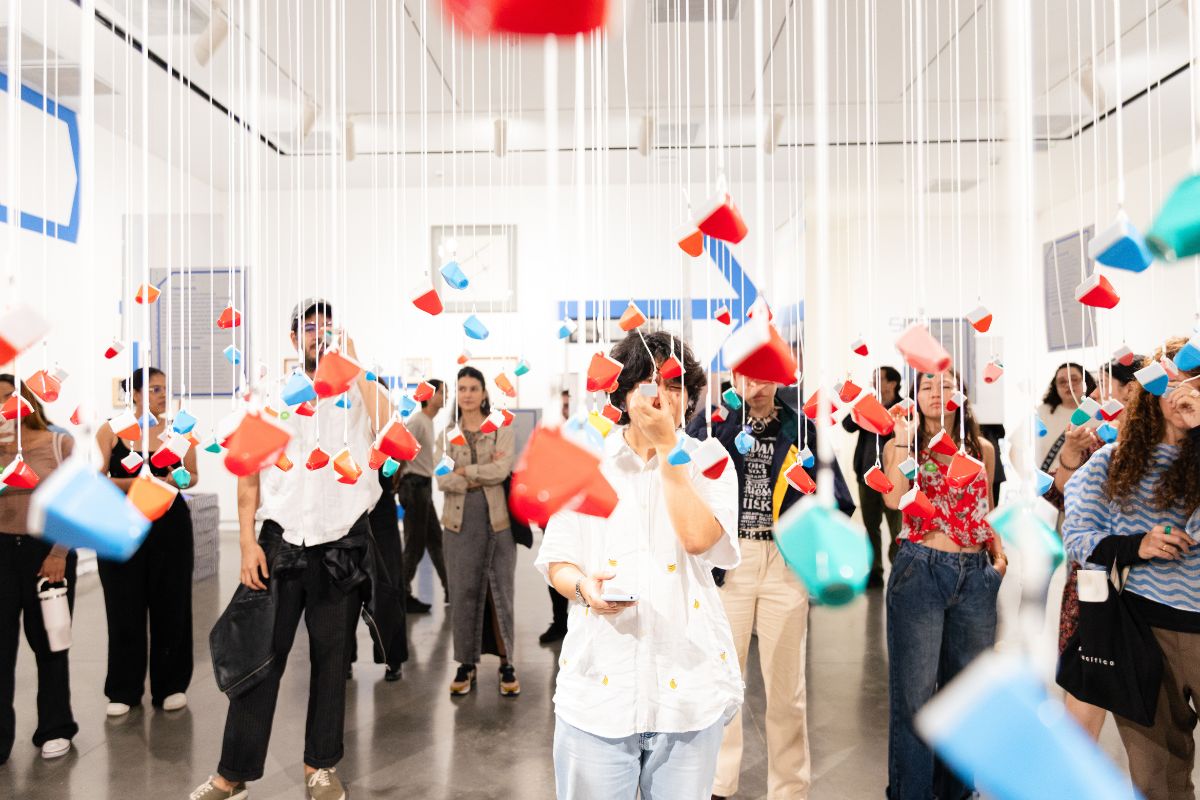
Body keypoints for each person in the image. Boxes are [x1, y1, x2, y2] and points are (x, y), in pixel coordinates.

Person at [190, 298, 396, 800]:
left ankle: (320, 767)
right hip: (279, 542)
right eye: (309, 328)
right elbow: (248, 474)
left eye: (327, 327)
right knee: (259, 656)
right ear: (292, 339)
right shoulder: (270, 398)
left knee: (332, 661)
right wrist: (245, 541)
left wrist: (357, 366)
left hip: (340, 543)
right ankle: (232, 774)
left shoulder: (361, 393)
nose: (318, 335)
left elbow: (392, 432)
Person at [537, 331, 742, 799]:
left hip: (687, 690)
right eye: (649, 383)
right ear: (623, 394)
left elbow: (698, 539)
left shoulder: (710, 460)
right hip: (599, 690)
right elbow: (558, 560)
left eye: (675, 385)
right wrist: (585, 589)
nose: (662, 396)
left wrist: (670, 449)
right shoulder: (586, 461)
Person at [687, 370, 855, 800]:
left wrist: (810, 538)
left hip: (784, 561)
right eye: (748, 376)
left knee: (787, 687)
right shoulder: (716, 421)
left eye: (766, 377)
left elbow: (838, 496)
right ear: (734, 375)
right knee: (722, 681)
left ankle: (790, 789)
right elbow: (686, 478)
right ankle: (717, 784)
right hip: (730, 559)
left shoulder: (801, 427)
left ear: (780, 379)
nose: (757, 387)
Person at [1062, 338, 1200, 800]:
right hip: (1141, 632)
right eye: (1171, 381)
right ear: (1149, 389)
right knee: (1157, 777)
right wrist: (1135, 545)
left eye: (1194, 382)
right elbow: (1077, 536)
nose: (1182, 392)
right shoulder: (1112, 461)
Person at [881, 369, 1005, 800]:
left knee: (967, 697)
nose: (937, 393)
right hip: (920, 569)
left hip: (975, 575)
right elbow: (893, 499)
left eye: (946, 385)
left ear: (961, 395)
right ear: (915, 396)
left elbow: (986, 507)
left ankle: (957, 793)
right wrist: (902, 440)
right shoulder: (903, 446)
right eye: (927, 386)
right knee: (915, 699)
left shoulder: (982, 449)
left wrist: (998, 560)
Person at [1047, 356, 1141, 740]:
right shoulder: (1093, 434)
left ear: (1131, 389)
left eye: (1103, 383)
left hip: (1148, 577)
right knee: (1087, 675)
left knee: (1142, 688)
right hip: (1094, 574)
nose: (1094, 391)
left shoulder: (1164, 437)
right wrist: (1071, 451)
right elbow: (1061, 495)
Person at [95, 367, 197, 717]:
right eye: (154, 388)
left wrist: (173, 479)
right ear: (135, 394)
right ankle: (123, 688)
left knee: (172, 604)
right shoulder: (111, 431)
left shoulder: (178, 431)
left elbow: (192, 476)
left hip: (169, 525)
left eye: (165, 388)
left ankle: (171, 685)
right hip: (121, 524)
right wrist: (139, 483)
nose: (162, 394)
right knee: (123, 605)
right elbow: (97, 479)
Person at [0, 379, 77, 762]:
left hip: (47, 551)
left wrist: (59, 552)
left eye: (7, 398)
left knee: (49, 643)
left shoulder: (57, 443)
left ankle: (55, 727)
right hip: (2, 549)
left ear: (26, 402)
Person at [435, 366, 519, 697]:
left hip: (497, 523)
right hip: (458, 524)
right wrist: (475, 476)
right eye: (462, 388)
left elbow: (501, 470)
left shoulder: (500, 428)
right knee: (463, 594)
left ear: (484, 393)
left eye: (473, 388)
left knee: (500, 594)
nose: (467, 394)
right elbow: (442, 479)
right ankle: (465, 664)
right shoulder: (447, 434)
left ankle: (507, 663)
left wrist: (465, 472)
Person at [842, 365, 903, 588]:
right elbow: (847, 425)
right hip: (866, 475)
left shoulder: (902, 407)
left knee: (898, 529)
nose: (874, 382)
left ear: (892, 383)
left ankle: (898, 569)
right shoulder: (869, 405)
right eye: (873, 378)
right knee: (870, 527)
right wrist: (863, 405)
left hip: (894, 477)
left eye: (880, 378)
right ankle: (874, 571)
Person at [400, 378, 448, 612]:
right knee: (415, 544)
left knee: (436, 540)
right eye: (442, 392)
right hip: (414, 486)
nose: (446, 397)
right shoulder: (418, 421)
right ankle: (401, 594)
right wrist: (398, 483)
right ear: (430, 395)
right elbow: (400, 449)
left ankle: (451, 588)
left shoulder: (427, 421)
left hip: (423, 486)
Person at [538, 389, 573, 645]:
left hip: (587, 509)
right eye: (563, 406)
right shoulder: (551, 435)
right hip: (557, 510)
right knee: (556, 563)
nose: (566, 411)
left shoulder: (595, 432)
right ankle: (560, 621)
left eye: (569, 405)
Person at [1037, 362, 1098, 473]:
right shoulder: (1041, 412)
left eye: (1074, 379)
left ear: (1086, 382)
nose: (1068, 385)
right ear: (1055, 386)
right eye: (1062, 381)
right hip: (1049, 481)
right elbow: (1017, 447)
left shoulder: (1100, 413)